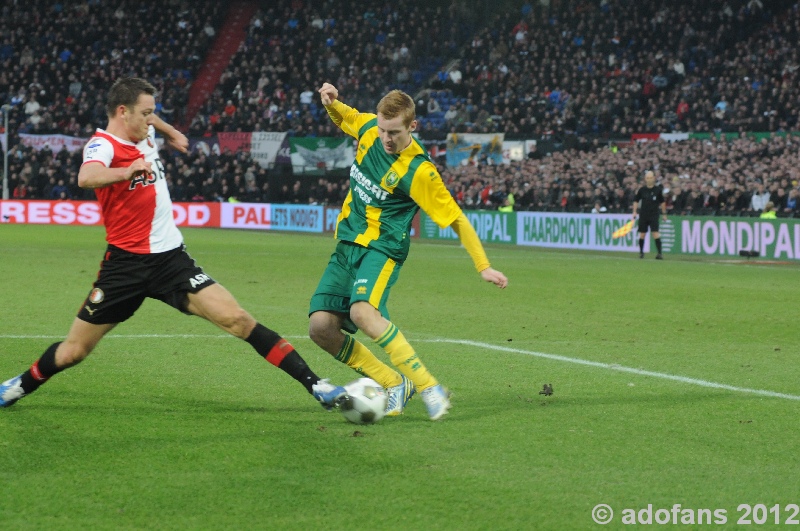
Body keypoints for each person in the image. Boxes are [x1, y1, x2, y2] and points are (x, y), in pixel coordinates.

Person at [0, 77, 346, 410]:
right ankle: (18, 385)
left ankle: (317, 385)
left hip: (171, 261)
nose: (151, 120)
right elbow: (86, 176)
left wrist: (170, 130)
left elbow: (151, 120)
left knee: (238, 319)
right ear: (123, 112)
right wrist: (126, 172)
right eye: (146, 113)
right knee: (74, 351)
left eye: (153, 113)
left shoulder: (145, 128)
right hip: (125, 265)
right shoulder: (103, 144)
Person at [308, 83, 508, 421]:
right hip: (346, 244)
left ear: (412, 127)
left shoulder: (420, 172)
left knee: (362, 313)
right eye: (383, 130)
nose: (387, 138)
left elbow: (457, 219)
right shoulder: (370, 128)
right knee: (320, 328)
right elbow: (345, 116)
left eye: (395, 132)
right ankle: (392, 383)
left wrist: (482, 265)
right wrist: (330, 101)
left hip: (382, 248)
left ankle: (431, 387)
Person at [632, 170, 667, 259]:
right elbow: (636, 201)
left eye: (651, 178)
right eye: (647, 178)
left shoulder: (658, 190)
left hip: (654, 215)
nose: (649, 179)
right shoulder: (642, 190)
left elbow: (662, 203)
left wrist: (664, 214)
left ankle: (659, 253)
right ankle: (641, 252)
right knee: (642, 234)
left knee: (655, 233)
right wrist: (634, 211)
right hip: (643, 215)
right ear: (645, 179)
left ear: (654, 178)